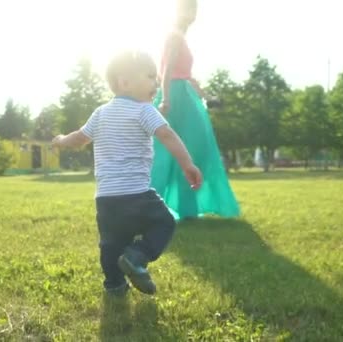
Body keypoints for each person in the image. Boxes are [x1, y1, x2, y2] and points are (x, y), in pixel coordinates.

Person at [52, 51, 202, 296]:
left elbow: (79, 138)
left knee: (111, 244)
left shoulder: (100, 113)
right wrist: (188, 165)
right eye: (151, 76)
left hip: (106, 199)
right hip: (137, 195)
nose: (156, 83)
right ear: (124, 82)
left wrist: (60, 140)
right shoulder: (145, 110)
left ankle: (114, 286)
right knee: (164, 221)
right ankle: (137, 256)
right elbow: (167, 135)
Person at [151, 0, 240, 220]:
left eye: (195, 9)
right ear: (178, 11)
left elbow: (188, 76)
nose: (192, 14)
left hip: (186, 97)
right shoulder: (173, 36)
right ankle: (151, 208)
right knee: (165, 153)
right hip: (175, 97)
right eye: (188, 8)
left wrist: (207, 97)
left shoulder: (181, 39)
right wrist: (166, 101)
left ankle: (186, 208)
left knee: (194, 150)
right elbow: (167, 71)